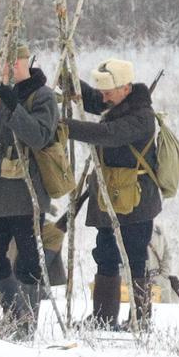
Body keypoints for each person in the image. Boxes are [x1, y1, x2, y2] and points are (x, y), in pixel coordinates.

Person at [0, 45, 62, 335]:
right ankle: (15, 314)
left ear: (26, 62)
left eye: (14, 63)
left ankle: (26, 324)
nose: (8, 69)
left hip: (25, 191)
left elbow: (38, 137)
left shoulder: (43, 96)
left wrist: (14, 107)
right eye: (3, 65)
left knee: (28, 261)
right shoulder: (0, 94)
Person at [65, 55, 162, 334]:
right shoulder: (118, 103)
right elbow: (94, 100)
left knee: (134, 257)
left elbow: (108, 133)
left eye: (109, 91)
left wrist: (66, 127)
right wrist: (73, 83)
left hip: (137, 199)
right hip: (111, 195)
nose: (104, 96)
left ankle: (139, 320)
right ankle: (103, 318)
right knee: (105, 253)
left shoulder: (142, 117)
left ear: (126, 88)